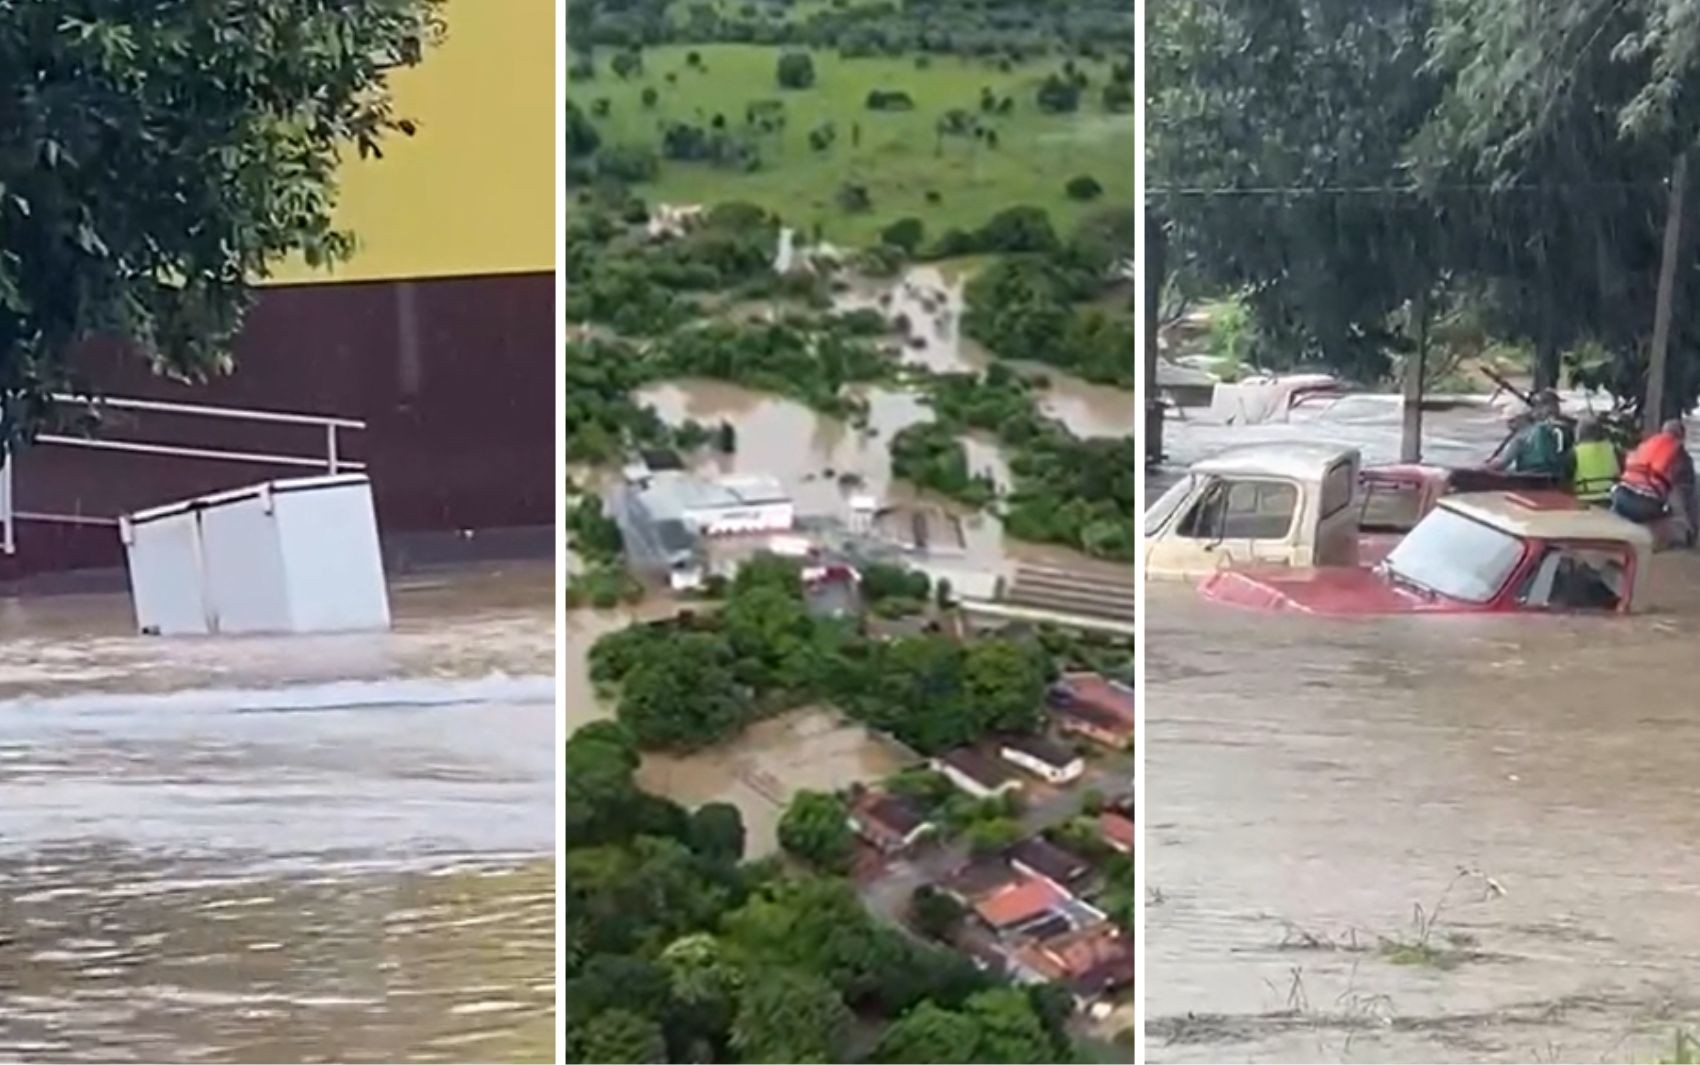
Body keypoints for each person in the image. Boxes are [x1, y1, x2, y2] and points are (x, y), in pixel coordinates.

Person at [1612, 419, 1697, 546]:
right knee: (1671, 516)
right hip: (1644, 505)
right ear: (1681, 438)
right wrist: (1690, 525)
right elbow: (1681, 495)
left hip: (1621, 495)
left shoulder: (1646, 445)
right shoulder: (1679, 455)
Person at [1489, 389, 1571, 480]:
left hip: (1531, 477)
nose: (1508, 425)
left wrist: (1485, 468)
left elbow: (1503, 463)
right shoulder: (1564, 427)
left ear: (1521, 418)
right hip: (1556, 475)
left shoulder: (1520, 437)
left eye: (1511, 421)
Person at [1570, 416, 1620, 505]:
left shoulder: (1575, 452)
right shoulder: (1612, 449)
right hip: (1609, 497)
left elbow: (1567, 478)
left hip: (1584, 498)